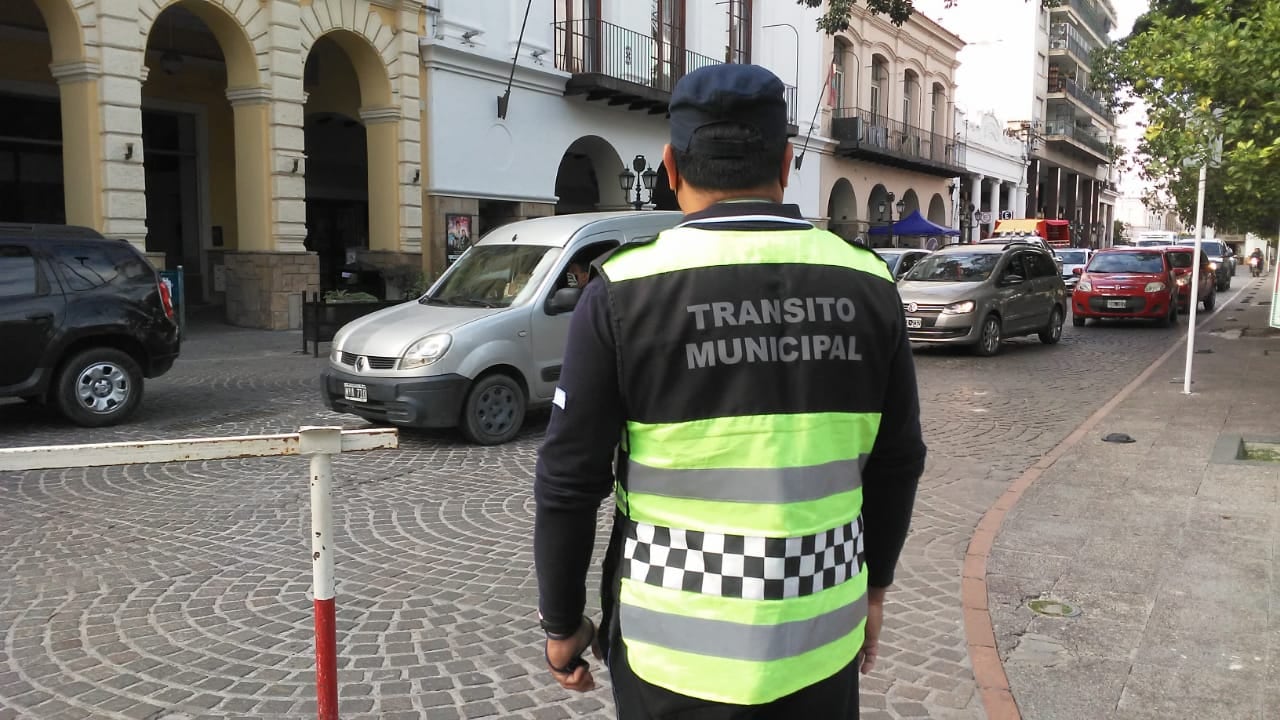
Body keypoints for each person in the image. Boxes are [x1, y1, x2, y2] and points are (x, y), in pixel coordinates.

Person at [533, 63, 926, 718]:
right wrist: (874, 591)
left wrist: (562, 625)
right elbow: (897, 462)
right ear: (787, 161)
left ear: (670, 166)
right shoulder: (868, 285)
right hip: (820, 636)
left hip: (671, 652)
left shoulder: (621, 294)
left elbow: (569, 482)